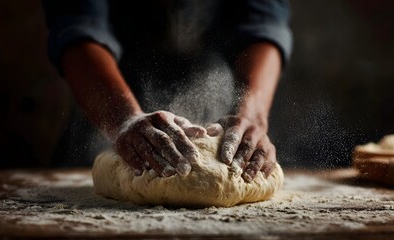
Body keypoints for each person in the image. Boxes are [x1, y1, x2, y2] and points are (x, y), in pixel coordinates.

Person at [43, 0, 292, 182]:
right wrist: (123, 120)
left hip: (223, 120)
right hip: (107, 107)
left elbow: (264, 25)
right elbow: (77, 27)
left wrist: (252, 115)